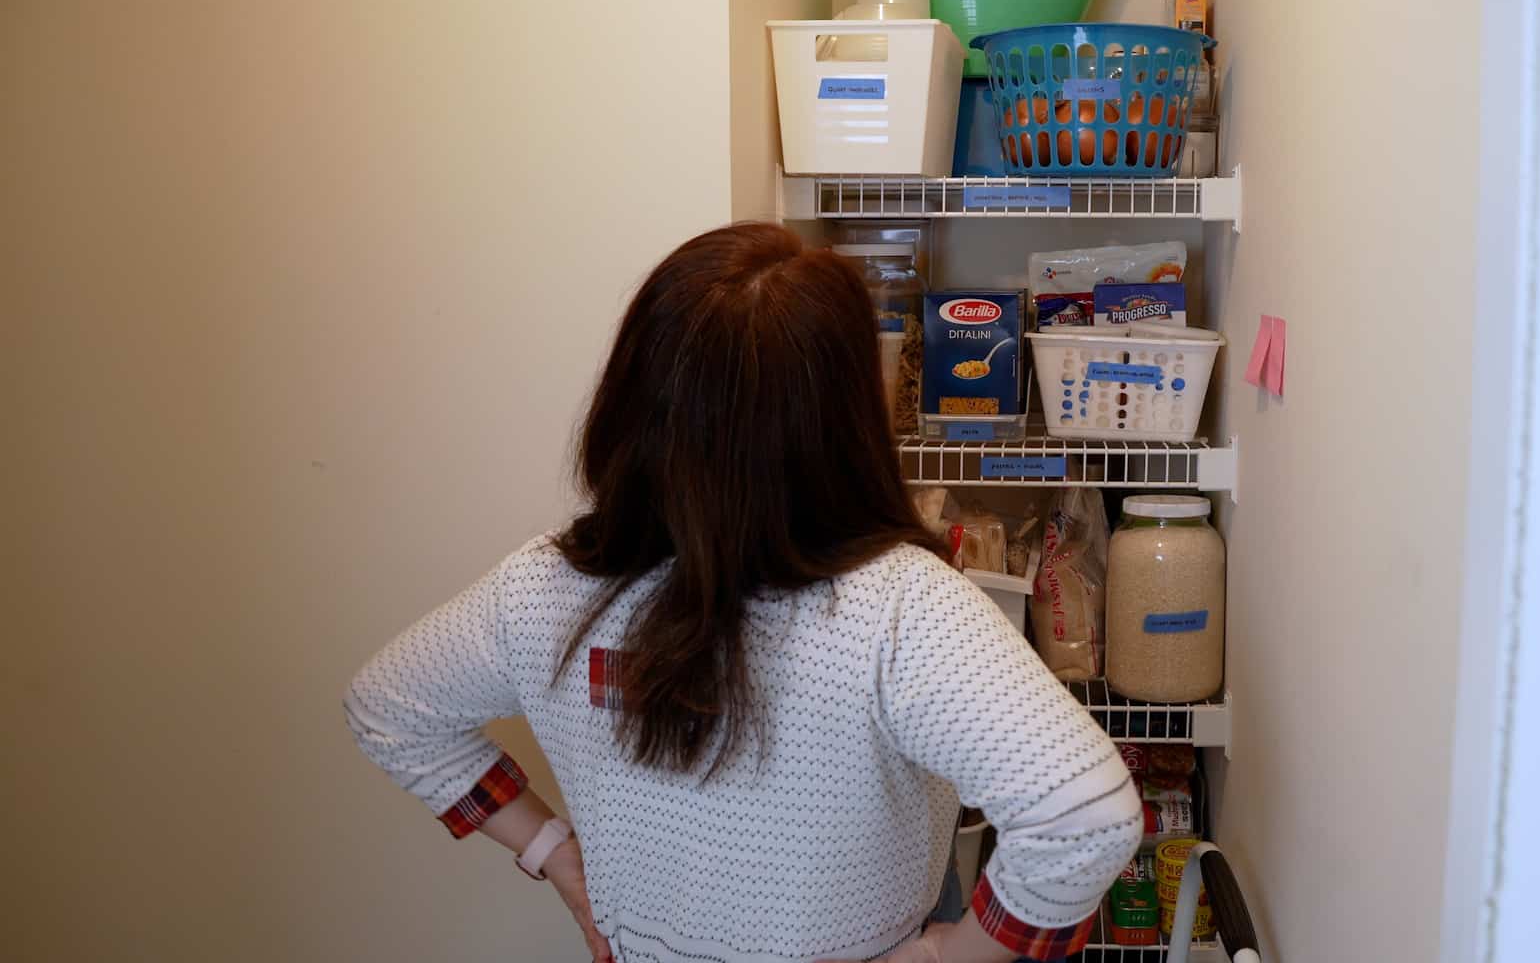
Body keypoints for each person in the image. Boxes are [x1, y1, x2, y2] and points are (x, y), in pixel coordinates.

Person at [345, 223, 1142, 962]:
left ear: (632, 397)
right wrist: (944, 956)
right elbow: (1085, 820)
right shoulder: (900, 608)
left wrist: (553, 854)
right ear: (842, 418)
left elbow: (386, 706)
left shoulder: (544, 586)